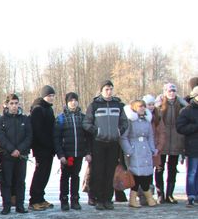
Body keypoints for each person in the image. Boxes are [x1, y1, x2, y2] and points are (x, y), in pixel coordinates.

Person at [83, 80, 129, 210]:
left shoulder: (118, 105)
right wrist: (97, 132)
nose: (109, 92)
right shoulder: (94, 105)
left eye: (111, 89)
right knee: (98, 172)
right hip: (98, 143)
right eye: (106, 89)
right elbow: (86, 123)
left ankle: (108, 199)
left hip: (113, 143)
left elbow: (124, 122)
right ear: (101, 91)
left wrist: (118, 131)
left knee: (110, 172)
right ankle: (98, 199)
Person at [54, 92, 91, 211]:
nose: (73, 103)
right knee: (65, 177)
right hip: (66, 154)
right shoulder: (61, 118)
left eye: (75, 100)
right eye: (70, 101)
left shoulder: (83, 117)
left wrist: (88, 152)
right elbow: (57, 138)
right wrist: (60, 154)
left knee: (75, 176)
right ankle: (64, 200)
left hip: (79, 153)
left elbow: (88, 137)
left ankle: (75, 199)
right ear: (66, 102)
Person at [0, 93, 32, 214]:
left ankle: (20, 205)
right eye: (11, 103)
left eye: (16, 103)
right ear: (6, 105)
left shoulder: (25, 119)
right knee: (6, 181)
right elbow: (1, 137)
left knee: (20, 181)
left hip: (21, 156)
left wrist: (19, 150)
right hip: (7, 155)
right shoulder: (1, 120)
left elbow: (29, 136)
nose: (14, 106)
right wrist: (12, 150)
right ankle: (6, 205)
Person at [154, 83, 187, 203]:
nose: (172, 93)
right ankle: (160, 194)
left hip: (176, 141)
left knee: (173, 168)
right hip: (162, 141)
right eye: (169, 91)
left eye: (173, 91)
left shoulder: (181, 106)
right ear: (165, 92)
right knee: (159, 168)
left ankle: (169, 194)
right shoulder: (159, 106)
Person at [121, 100, 158, 208]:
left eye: (143, 106)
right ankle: (134, 199)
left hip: (145, 149)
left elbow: (150, 136)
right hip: (135, 149)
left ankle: (148, 197)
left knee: (146, 174)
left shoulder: (147, 121)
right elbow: (123, 137)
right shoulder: (130, 121)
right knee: (136, 175)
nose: (142, 108)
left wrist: (152, 149)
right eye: (139, 106)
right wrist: (129, 150)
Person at [28, 85, 57, 210]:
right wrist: (47, 144)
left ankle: (40, 198)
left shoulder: (48, 108)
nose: (51, 98)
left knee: (45, 174)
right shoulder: (38, 109)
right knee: (40, 174)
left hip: (49, 148)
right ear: (44, 96)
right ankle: (34, 200)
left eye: (53, 96)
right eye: (49, 95)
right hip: (41, 148)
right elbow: (37, 131)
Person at [175, 86, 198, 206]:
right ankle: (191, 195)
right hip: (193, 145)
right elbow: (180, 128)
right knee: (192, 172)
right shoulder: (186, 110)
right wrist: (195, 126)